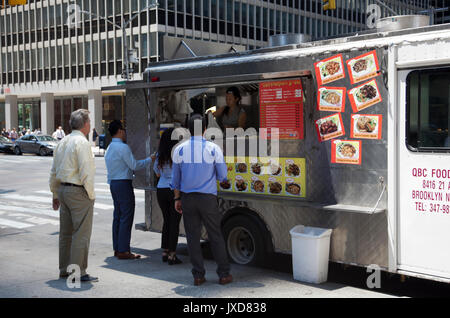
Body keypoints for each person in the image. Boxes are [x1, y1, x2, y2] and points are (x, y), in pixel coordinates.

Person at [171, 114, 232, 286]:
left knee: (192, 237)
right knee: (215, 235)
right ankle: (224, 274)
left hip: (188, 198)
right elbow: (222, 176)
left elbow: (176, 180)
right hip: (208, 199)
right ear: (205, 129)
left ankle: (198, 275)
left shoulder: (179, 149)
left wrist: (177, 198)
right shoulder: (213, 148)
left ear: (188, 129)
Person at [49, 109, 98, 283]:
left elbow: (53, 171)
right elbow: (87, 172)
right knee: (81, 234)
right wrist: (91, 195)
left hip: (63, 189)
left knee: (65, 233)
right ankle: (78, 272)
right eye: (89, 122)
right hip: (78, 190)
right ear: (85, 124)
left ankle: (64, 269)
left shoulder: (63, 142)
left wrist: (55, 193)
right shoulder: (82, 142)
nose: (90, 125)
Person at [104, 120, 152, 260]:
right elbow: (134, 165)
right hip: (123, 183)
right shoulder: (123, 148)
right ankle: (124, 250)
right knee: (126, 216)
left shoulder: (110, 148)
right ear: (119, 130)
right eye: (123, 129)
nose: (125, 132)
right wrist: (150, 159)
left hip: (113, 183)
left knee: (118, 216)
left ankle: (117, 248)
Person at [154, 128, 182, 265]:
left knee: (167, 221)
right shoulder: (177, 154)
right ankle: (172, 254)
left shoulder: (160, 155)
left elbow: (157, 173)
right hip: (174, 191)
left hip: (161, 190)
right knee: (174, 223)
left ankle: (165, 251)